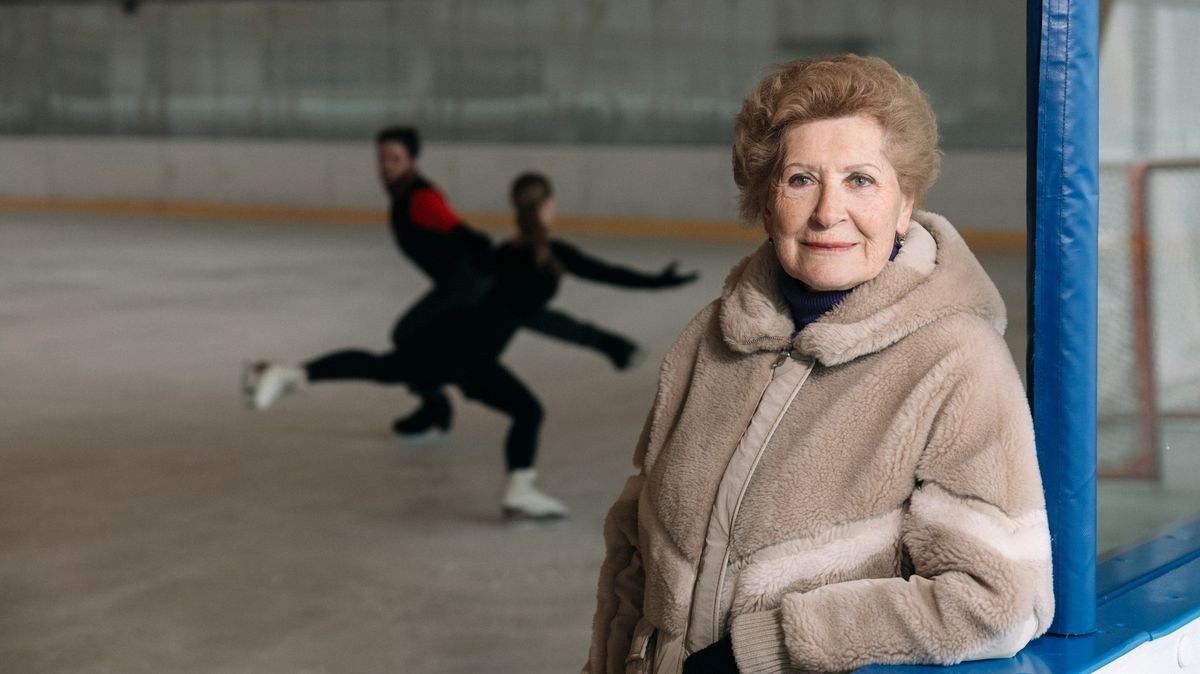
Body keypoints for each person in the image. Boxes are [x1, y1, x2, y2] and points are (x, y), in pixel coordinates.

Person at [583, 55, 1053, 673]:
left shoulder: (956, 361)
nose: (829, 212)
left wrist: (760, 652)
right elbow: (632, 554)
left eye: (861, 179)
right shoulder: (707, 339)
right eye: (801, 179)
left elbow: (999, 600)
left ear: (904, 203)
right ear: (765, 200)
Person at [245, 172, 697, 519]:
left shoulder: (501, 253)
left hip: (454, 336)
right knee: (526, 411)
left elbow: (468, 290)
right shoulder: (551, 257)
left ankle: (294, 373)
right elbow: (608, 276)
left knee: (385, 368)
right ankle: (519, 488)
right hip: (472, 354)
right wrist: (654, 290)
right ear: (546, 208)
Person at [249, 126, 645, 438]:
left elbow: (465, 234)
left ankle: (434, 407)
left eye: (395, 158)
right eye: (382, 158)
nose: (386, 165)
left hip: (466, 288)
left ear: (412, 160)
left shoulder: (420, 198)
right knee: (431, 345)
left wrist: (478, 267)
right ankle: (434, 407)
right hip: (464, 286)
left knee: (408, 339)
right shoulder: (405, 196)